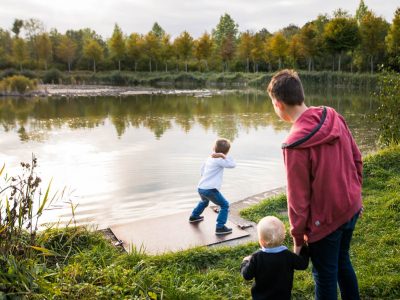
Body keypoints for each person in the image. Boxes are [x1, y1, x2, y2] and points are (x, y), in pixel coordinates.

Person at [267, 69, 363, 300]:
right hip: (350, 208)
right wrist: (355, 194)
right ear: (300, 93)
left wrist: (298, 239)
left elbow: (298, 200)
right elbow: (356, 157)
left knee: (325, 275)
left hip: (325, 222)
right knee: (342, 261)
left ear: (278, 104)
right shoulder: (332, 115)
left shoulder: (294, 144)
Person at [240, 216, 309, 300]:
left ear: (261, 240)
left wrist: (245, 262)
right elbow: (303, 264)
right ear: (283, 237)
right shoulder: (288, 255)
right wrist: (304, 247)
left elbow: (247, 275)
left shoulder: (256, 258)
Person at [189, 138, 236, 235]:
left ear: (214, 148)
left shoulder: (209, 158)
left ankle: (194, 216)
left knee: (204, 201)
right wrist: (223, 156)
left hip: (201, 187)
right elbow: (232, 165)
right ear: (226, 151)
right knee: (224, 205)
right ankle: (220, 227)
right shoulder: (219, 160)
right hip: (210, 189)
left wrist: (206, 180)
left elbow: (201, 171)